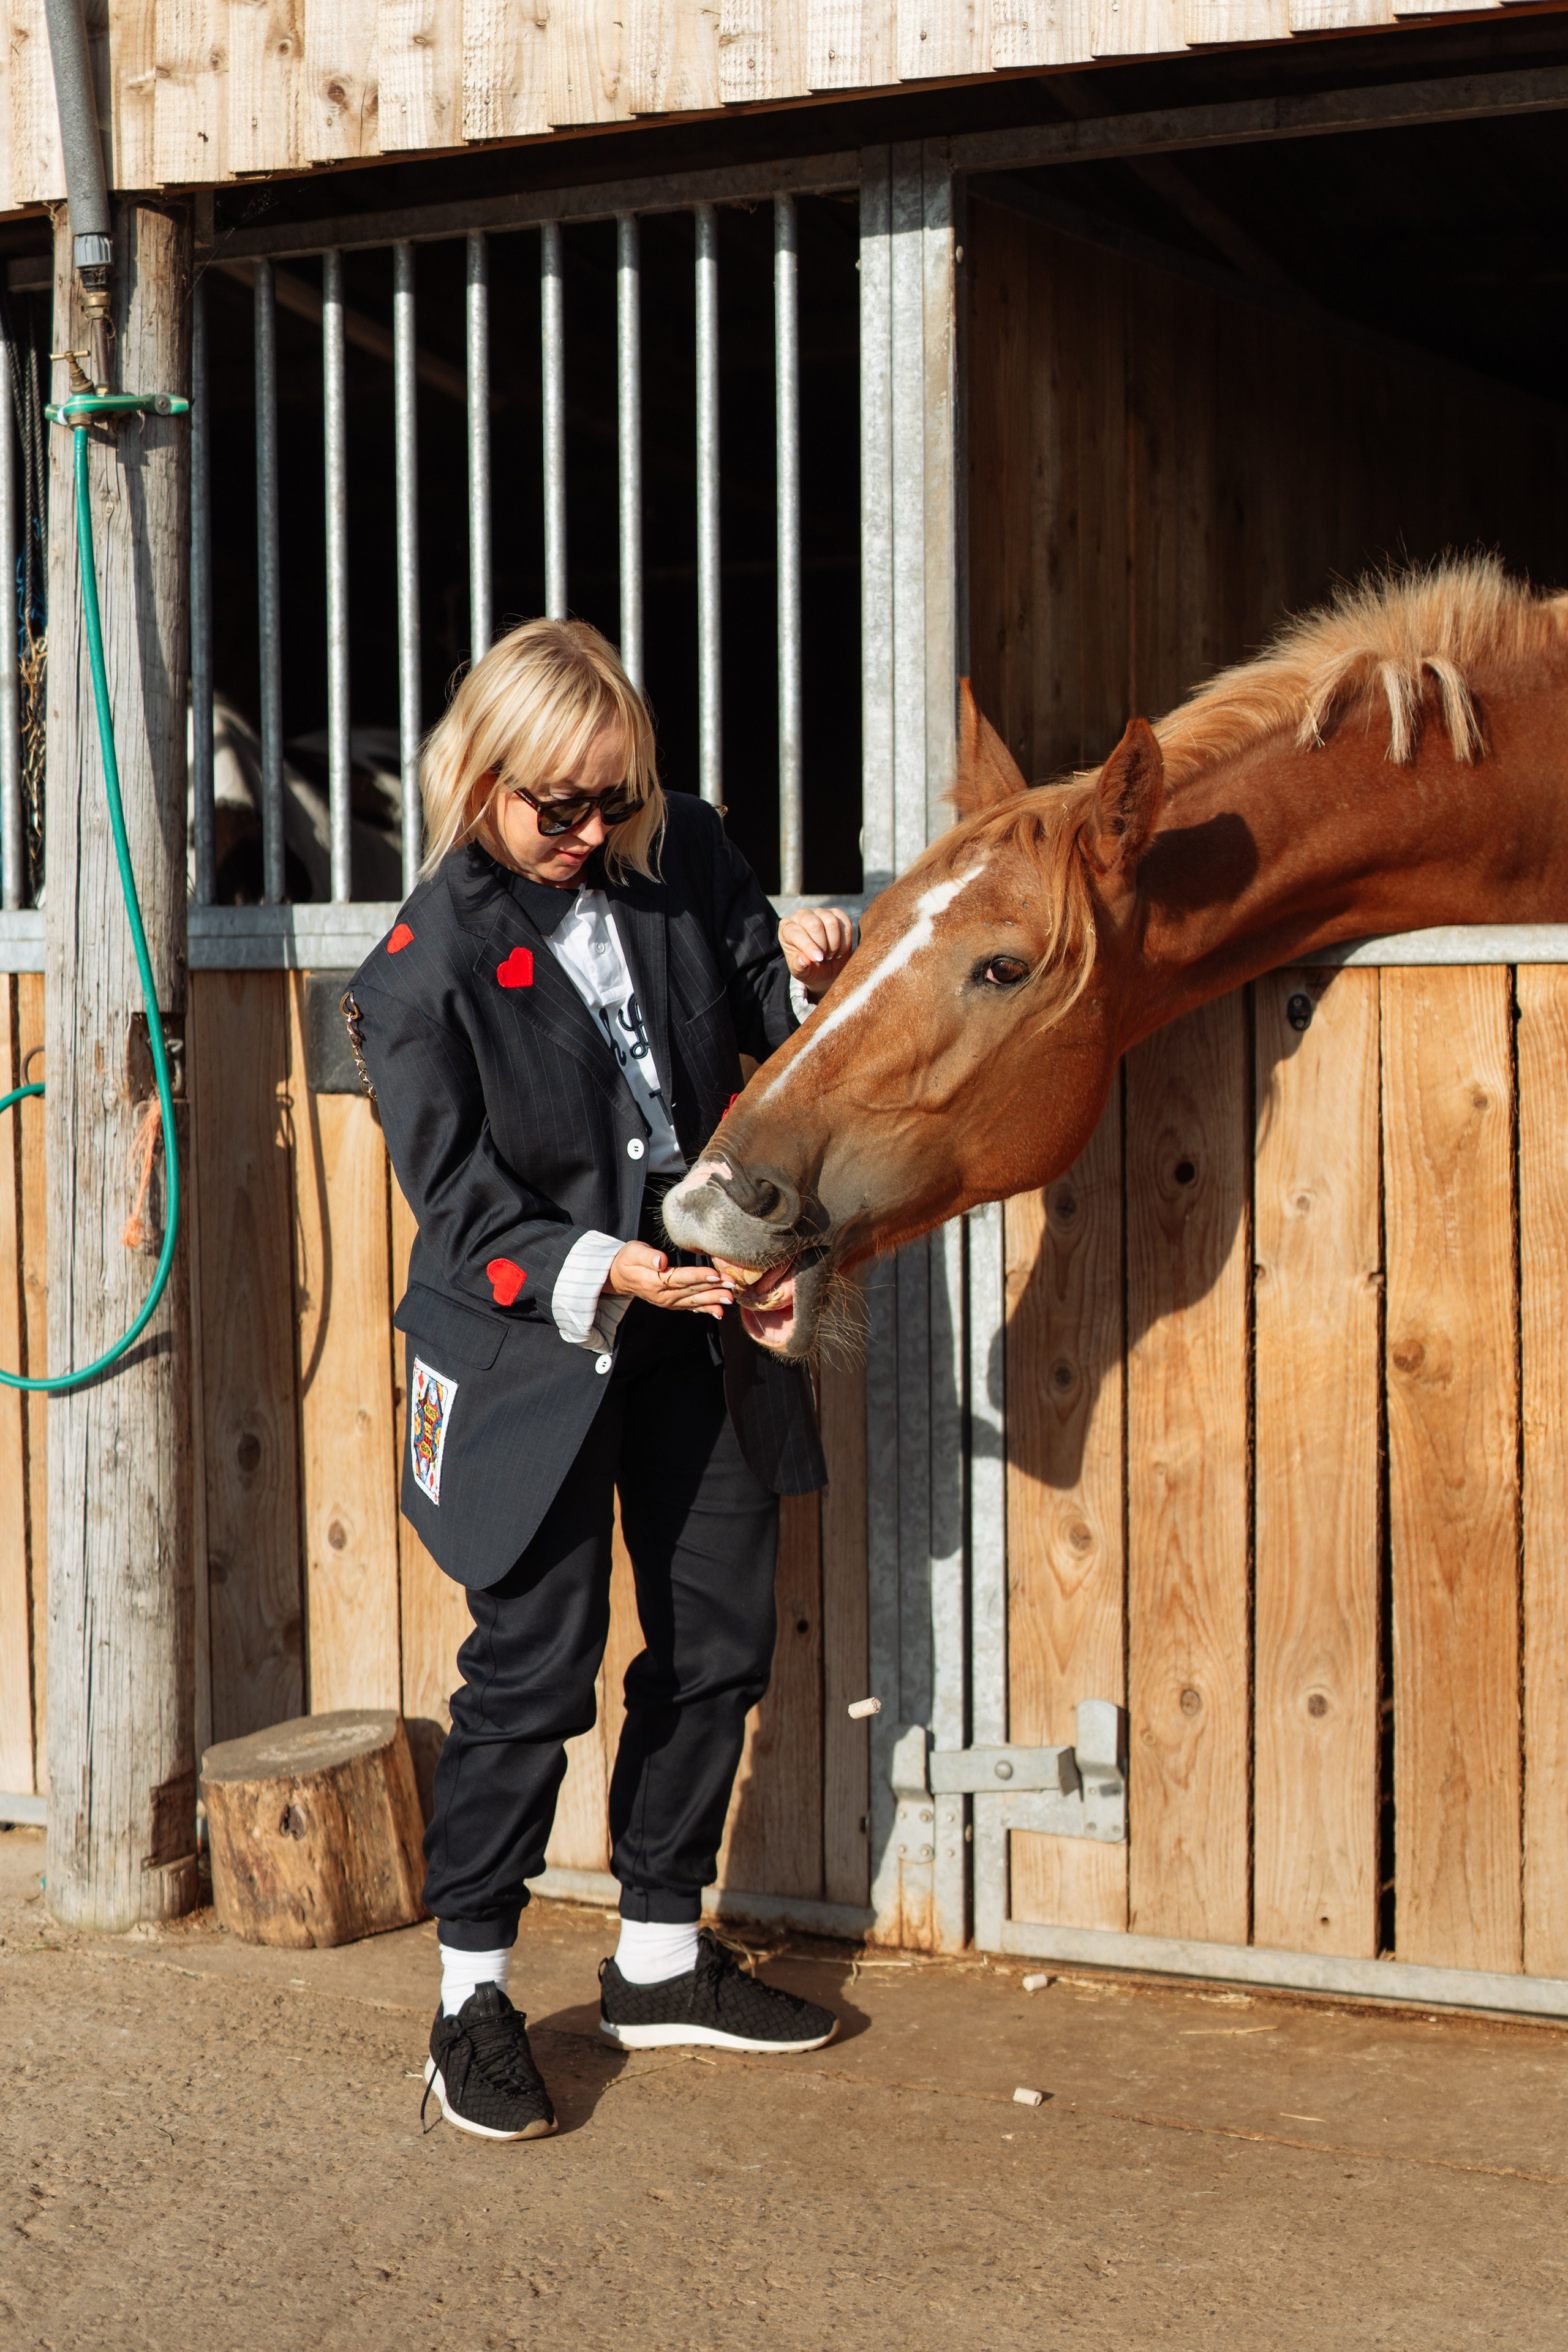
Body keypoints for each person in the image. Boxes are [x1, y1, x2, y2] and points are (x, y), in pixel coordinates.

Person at [344, 618, 856, 2142]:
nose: (587, 833)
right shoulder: (417, 973)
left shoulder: (678, 851)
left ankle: (653, 1954)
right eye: (553, 807)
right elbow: (464, 1213)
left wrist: (818, 961)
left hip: (698, 1328)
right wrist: (608, 1268)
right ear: (478, 777)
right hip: (534, 1349)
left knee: (715, 1641)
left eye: (609, 801)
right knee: (532, 1671)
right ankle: (470, 1998)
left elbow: (768, 1031)